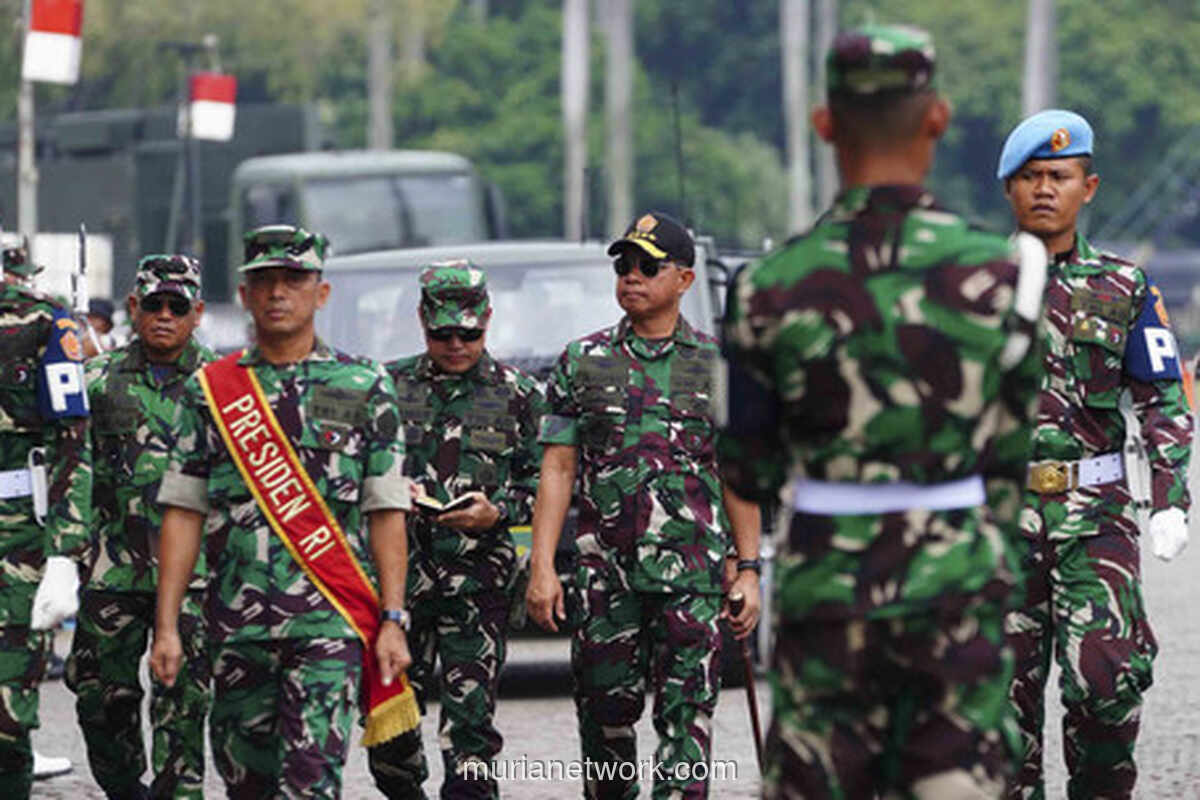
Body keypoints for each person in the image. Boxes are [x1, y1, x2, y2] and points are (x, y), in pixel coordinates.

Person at [720, 25, 1048, 798]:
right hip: (957, 584)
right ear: (937, 117)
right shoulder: (1004, 275)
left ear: (824, 123)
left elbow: (746, 465)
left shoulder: (766, 288)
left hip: (826, 586)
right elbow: (1009, 455)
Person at [148, 224, 419, 798]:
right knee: (248, 785)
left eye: (293, 280)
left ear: (320, 293)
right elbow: (182, 510)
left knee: (312, 784)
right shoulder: (211, 390)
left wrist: (393, 618)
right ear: (243, 295)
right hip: (235, 626)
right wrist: (167, 626)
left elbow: (386, 509)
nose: (278, 293)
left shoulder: (366, 384)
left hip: (329, 624)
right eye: (263, 282)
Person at [526, 211, 762, 799]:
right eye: (624, 265)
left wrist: (750, 567)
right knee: (605, 724)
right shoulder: (581, 361)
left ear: (683, 280)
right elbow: (557, 467)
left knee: (687, 724)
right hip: (606, 581)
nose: (632, 276)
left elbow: (738, 473)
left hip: (694, 580)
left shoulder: (718, 366)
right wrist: (541, 566)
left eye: (648, 266)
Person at [996, 109, 1193, 800]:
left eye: (1060, 176)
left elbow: (1163, 400)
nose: (1045, 189)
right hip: (995, 524)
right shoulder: (970, 290)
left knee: (1107, 689)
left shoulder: (1125, 287)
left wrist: (1172, 499)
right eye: (1030, 177)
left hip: (1096, 520)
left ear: (1090, 187)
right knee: (996, 715)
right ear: (1009, 189)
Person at [368, 261, 548, 799]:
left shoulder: (520, 395)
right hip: (401, 587)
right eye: (441, 334)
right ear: (422, 321)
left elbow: (548, 484)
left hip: (478, 586)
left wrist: (499, 510)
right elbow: (352, 475)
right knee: (390, 737)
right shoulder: (386, 387)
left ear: (487, 320)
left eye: (468, 333)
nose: (454, 345)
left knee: (471, 736)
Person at [65, 255, 215, 799]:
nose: (165, 315)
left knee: (183, 705)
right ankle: (127, 790)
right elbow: (67, 468)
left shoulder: (224, 387)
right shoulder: (96, 381)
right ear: (134, 307)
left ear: (197, 312)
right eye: (154, 304)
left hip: (196, 577)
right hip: (113, 570)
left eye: (178, 306)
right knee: (100, 700)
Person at [0, 231, 92, 798]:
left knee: (8, 707)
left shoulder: (41, 324)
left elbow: (71, 438)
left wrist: (65, 548)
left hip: (15, 533)